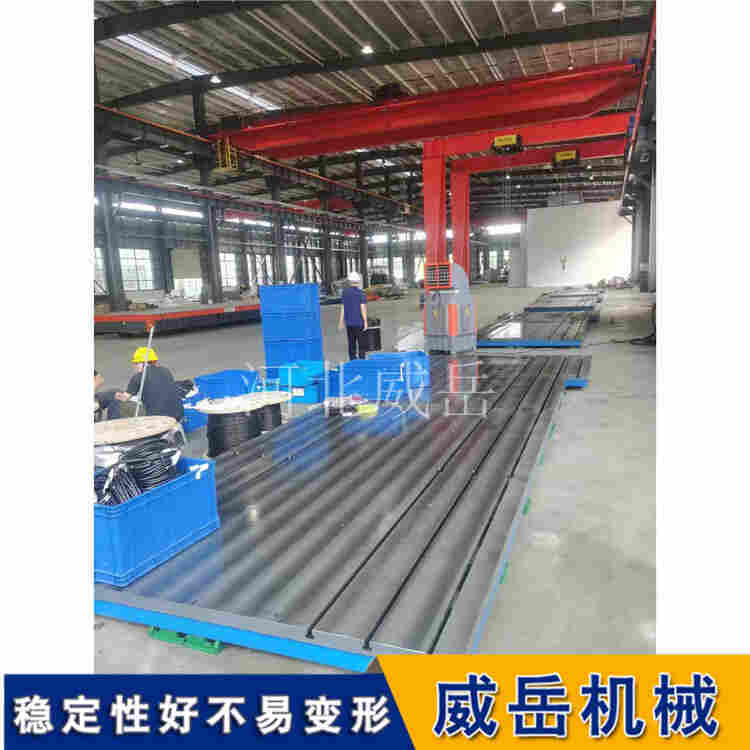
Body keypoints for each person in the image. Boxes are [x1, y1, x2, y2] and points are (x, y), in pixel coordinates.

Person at [114, 347, 184, 421]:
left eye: (136, 363)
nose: (134, 366)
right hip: (178, 414)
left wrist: (115, 395)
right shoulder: (166, 370)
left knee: (117, 404)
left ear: (143, 363)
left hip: (157, 418)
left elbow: (124, 398)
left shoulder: (138, 377)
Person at [338, 271, 369, 360]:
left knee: (351, 344)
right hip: (359, 323)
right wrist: (365, 321)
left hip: (349, 323)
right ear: (358, 281)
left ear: (349, 281)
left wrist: (341, 322)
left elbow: (343, 307)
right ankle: (361, 362)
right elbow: (363, 308)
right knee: (361, 344)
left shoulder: (345, 293)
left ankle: (352, 361)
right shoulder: (361, 293)